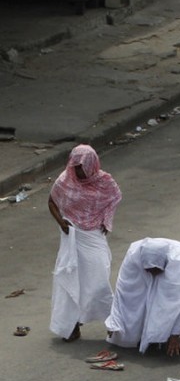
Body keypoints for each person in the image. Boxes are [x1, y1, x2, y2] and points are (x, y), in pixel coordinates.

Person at [48, 144, 122, 343]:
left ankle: (113, 324)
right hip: (72, 236)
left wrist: (107, 219)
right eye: (76, 167)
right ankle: (71, 325)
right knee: (70, 279)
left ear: (91, 165)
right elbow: (52, 202)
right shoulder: (65, 179)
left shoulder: (105, 182)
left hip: (93, 236)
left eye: (82, 167)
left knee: (98, 282)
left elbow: (115, 198)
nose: (78, 172)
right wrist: (61, 222)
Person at [105, 238, 180, 356]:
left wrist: (175, 334)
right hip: (169, 268)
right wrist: (115, 320)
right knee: (143, 296)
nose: (152, 274)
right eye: (148, 270)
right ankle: (149, 334)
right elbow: (124, 291)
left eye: (155, 270)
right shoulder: (133, 254)